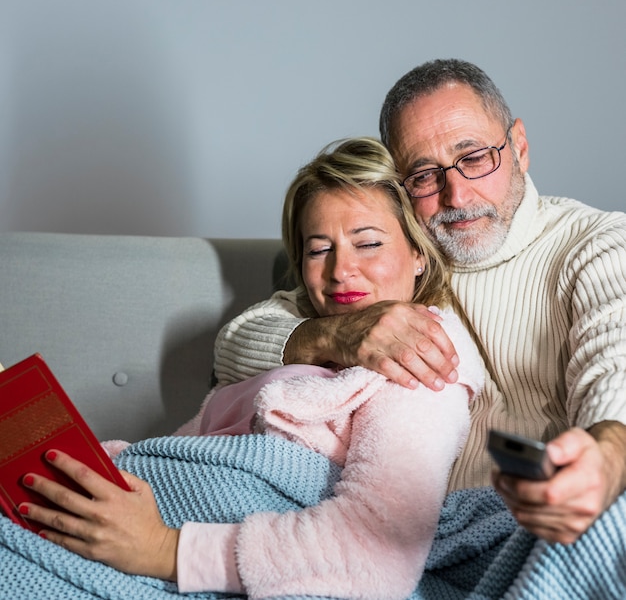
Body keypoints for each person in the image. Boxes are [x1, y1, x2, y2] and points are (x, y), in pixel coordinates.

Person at [18, 138, 484, 600]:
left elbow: (376, 553)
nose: (341, 270)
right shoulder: (296, 320)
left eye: (368, 243)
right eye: (320, 250)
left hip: (172, 548)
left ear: (419, 253)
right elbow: (223, 373)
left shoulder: (425, 359)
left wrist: (163, 548)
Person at [213, 58, 626, 545]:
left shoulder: (597, 245)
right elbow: (233, 345)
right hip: (415, 534)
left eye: (474, 158)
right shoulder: (394, 257)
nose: (456, 194)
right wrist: (337, 334)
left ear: (518, 146)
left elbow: (615, 369)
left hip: (543, 524)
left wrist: (605, 458)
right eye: (425, 174)